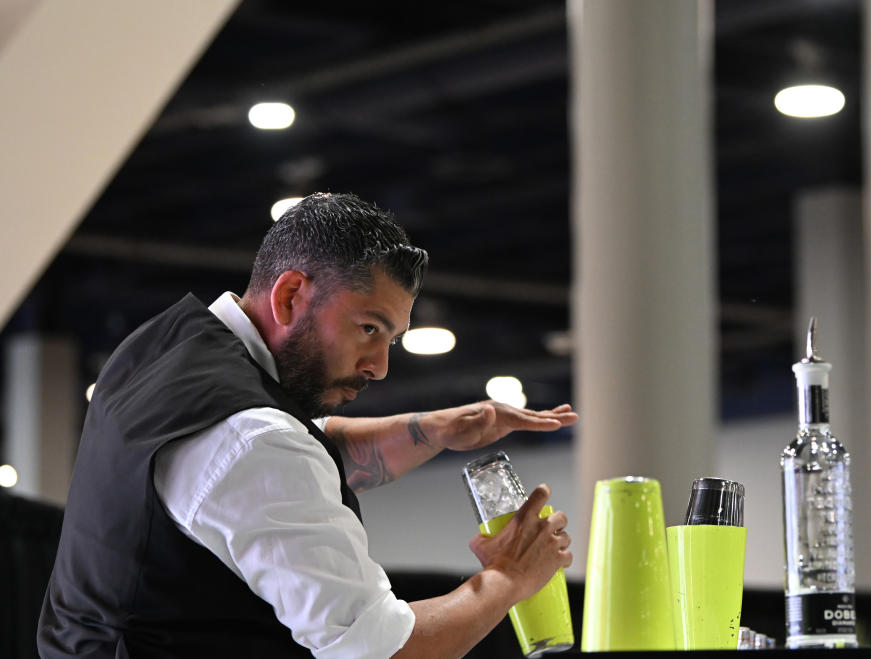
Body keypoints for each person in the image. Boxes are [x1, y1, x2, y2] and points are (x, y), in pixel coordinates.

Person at [38, 192, 576, 658]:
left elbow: (280, 452)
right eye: (369, 328)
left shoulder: (160, 347)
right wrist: (509, 576)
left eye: (389, 340)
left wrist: (428, 430)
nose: (380, 366)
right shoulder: (255, 440)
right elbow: (383, 650)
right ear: (291, 295)